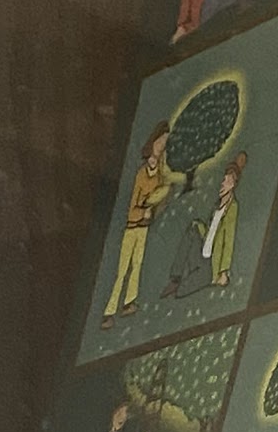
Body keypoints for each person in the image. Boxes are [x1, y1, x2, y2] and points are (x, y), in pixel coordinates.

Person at [104, 127, 177, 321]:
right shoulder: (142, 174)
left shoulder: (160, 173)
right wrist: (144, 207)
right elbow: (134, 203)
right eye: (160, 141)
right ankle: (109, 311)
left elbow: (162, 192)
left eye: (164, 143)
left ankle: (129, 301)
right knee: (122, 270)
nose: (161, 146)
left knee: (137, 264)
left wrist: (151, 209)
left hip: (143, 225)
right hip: (133, 225)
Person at [177, 152, 245, 300]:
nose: (223, 183)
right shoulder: (216, 206)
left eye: (228, 181)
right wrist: (198, 226)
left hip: (210, 264)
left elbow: (228, 240)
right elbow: (210, 231)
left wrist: (223, 271)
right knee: (193, 229)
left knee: (182, 291)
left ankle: (187, 281)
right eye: (224, 179)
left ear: (233, 185)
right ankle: (176, 276)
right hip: (201, 253)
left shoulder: (232, 208)